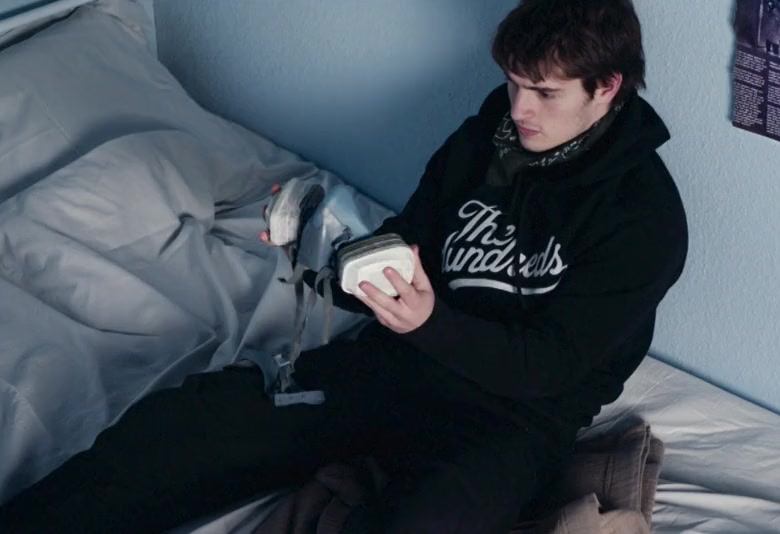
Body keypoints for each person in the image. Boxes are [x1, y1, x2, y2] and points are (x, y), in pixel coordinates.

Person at [0, 0, 688, 532]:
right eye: (511, 84)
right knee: (180, 431)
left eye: (543, 92)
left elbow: (546, 368)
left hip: (513, 419)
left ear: (607, 88)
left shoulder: (645, 218)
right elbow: (407, 242)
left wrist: (429, 322)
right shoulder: (487, 138)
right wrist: (322, 256)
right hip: (396, 365)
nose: (519, 109)